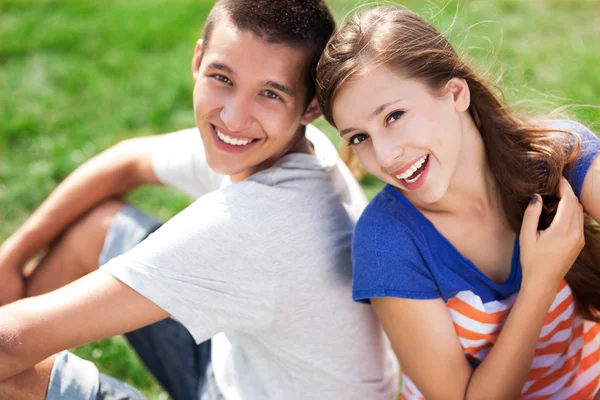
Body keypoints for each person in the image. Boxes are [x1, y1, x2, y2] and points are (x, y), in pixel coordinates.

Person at [0, 1, 400, 399]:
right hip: (237, 370)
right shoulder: (285, 143)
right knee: (97, 229)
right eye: (222, 78)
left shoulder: (259, 225)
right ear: (198, 60)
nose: (233, 118)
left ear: (311, 106)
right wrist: (11, 258)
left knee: (13, 375)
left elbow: (8, 342)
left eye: (270, 94)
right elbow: (127, 162)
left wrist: (23, 345)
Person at [316, 5, 600, 400]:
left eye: (394, 116)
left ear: (455, 93)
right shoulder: (388, 244)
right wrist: (540, 282)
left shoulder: (561, 156)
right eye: (359, 138)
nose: (384, 156)